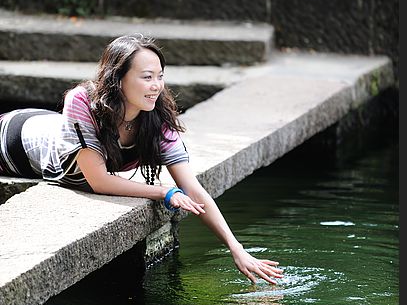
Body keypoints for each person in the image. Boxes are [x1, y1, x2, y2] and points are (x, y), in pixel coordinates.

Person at [0, 34, 283, 285]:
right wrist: (164, 192)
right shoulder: (82, 101)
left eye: (160, 76)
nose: (157, 86)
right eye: (147, 77)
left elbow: (193, 189)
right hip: (13, 139)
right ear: (117, 78)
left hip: (47, 128)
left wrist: (236, 248)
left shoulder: (158, 119)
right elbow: (98, 181)